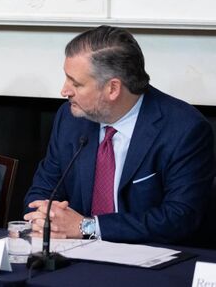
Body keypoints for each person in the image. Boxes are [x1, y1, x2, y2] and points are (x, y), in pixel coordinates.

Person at [24, 25, 214, 244]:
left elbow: (179, 218)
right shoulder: (70, 118)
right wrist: (45, 218)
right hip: (73, 253)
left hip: (148, 257)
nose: (64, 91)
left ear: (113, 88)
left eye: (76, 83)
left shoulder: (184, 129)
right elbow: (42, 191)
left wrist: (87, 227)